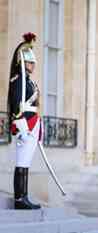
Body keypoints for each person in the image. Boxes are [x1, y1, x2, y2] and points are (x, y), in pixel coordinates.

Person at [7, 32, 41, 209]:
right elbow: (16, 103)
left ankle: (24, 196)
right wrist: (20, 125)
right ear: (22, 61)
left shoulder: (29, 82)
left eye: (33, 62)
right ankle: (19, 199)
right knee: (22, 161)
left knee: (26, 161)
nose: (32, 65)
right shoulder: (18, 79)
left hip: (32, 123)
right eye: (29, 62)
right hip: (24, 124)